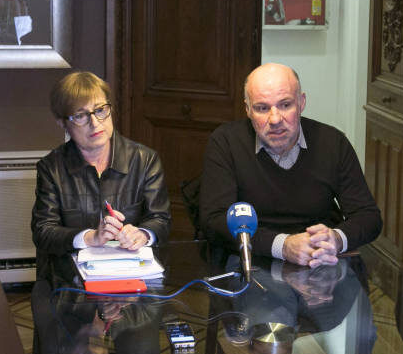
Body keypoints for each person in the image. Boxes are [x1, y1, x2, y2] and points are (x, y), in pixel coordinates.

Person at [199, 63, 382, 267]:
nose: (275, 119)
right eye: (262, 108)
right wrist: (283, 246)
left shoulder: (333, 143)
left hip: (321, 260)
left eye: (285, 105)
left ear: (301, 103)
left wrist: (336, 239)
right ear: (248, 109)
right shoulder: (226, 142)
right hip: (252, 260)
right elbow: (213, 221)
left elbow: (369, 217)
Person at [31, 71, 170, 285]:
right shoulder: (52, 168)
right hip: (69, 282)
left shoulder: (144, 160)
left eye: (100, 110)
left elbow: (161, 219)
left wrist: (143, 234)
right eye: (80, 116)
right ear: (62, 122)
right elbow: (44, 232)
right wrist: (90, 237)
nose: (95, 123)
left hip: (133, 277)